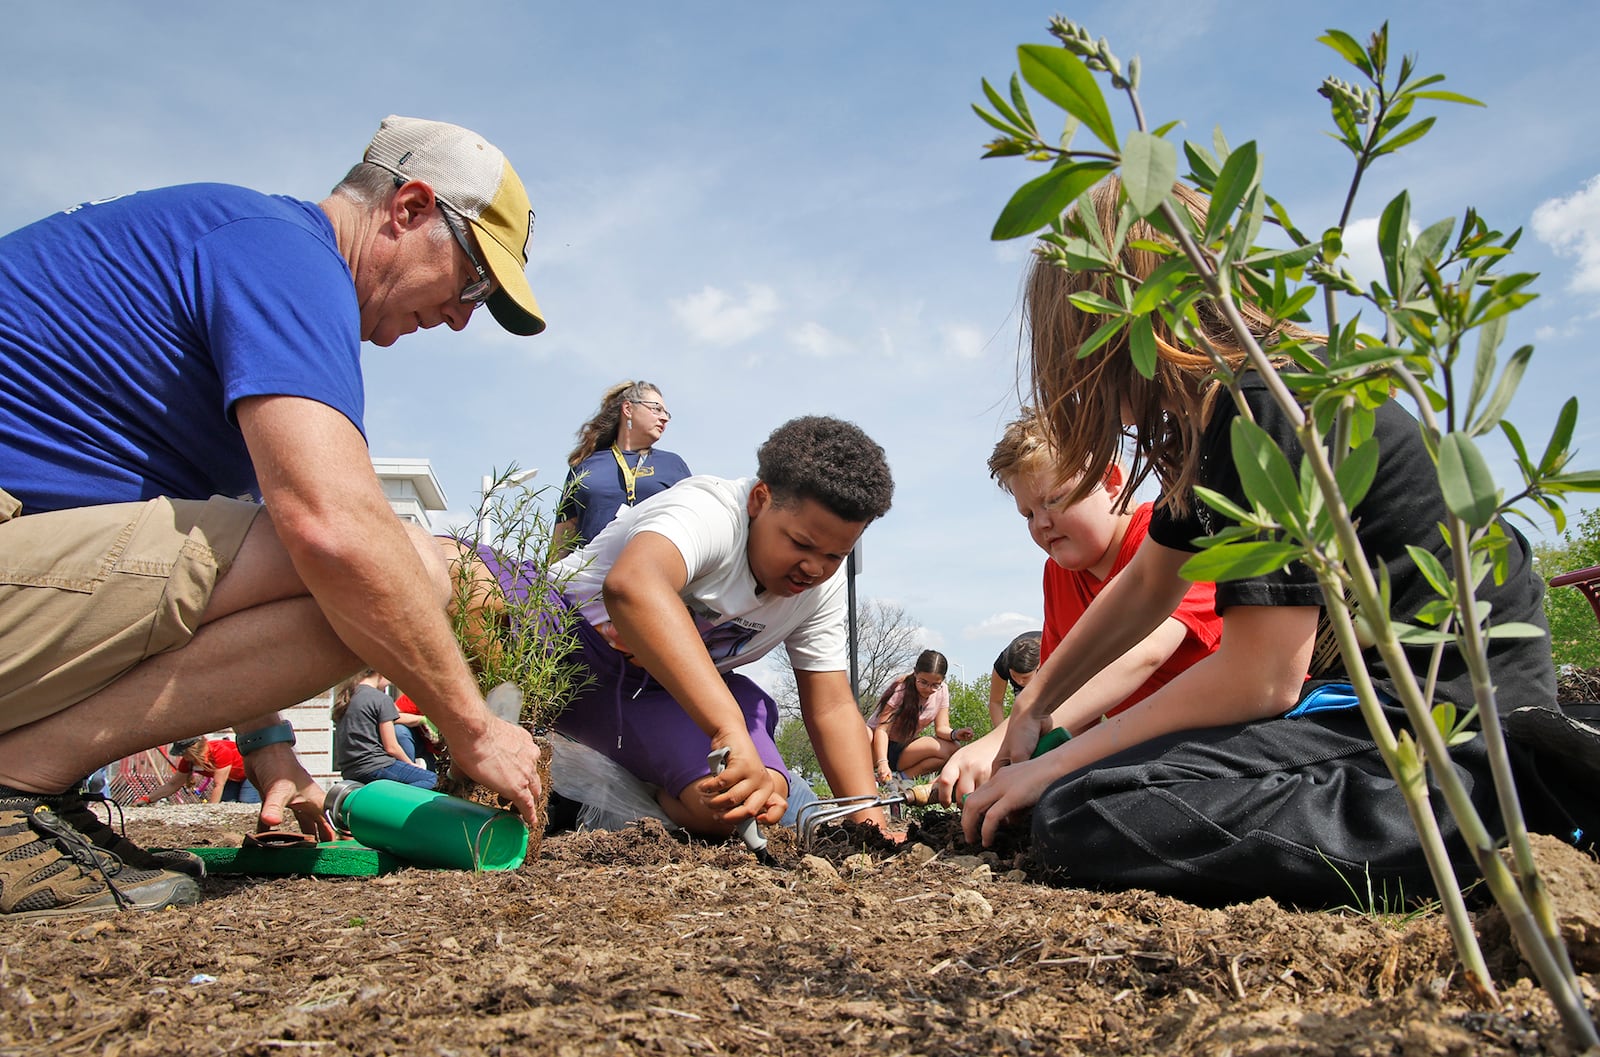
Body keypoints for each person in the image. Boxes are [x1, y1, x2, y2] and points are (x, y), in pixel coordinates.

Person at [958, 177, 1595, 907]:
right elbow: (1146, 585)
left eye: (1076, 344)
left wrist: (1053, 765)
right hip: (1374, 708)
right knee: (1082, 792)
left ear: (1128, 315)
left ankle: (1516, 812)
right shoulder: (1223, 414)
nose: (1073, 379)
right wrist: (1037, 704)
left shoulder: (1264, 405)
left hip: (1452, 727)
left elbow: (1261, 678)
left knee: (1081, 811)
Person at [0, 115, 546, 919]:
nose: (464, 317)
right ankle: (16, 791)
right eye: (472, 283)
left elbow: (213, 577)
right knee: (410, 572)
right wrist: (472, 726)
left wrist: (272, 755)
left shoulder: (237, 257)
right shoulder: (286, 253)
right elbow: (334, 532)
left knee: (358, 579)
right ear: (410, 208)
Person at [450, 416, 895, 838]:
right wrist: (727, 727)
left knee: (742, 803)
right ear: (759, 500)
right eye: (801, 543)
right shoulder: (709, 508)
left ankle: (635, 786)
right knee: (452, 570)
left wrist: (868, 820)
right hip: (564, 640)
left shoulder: (821, 588)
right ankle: (494, 743)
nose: (814, 568)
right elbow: (632, 586)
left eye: (836, 556)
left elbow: (832, 706)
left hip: (659, 696)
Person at [941, 409, 1223, 797]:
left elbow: (1145, 653)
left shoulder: (1167, 536)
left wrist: (999, 740)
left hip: (1221, 736)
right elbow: (1065, 696)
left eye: (1054, 499)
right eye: (1027, 514)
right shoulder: (1057, 576)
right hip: (1148, 749)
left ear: (1110, 481)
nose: (1040, 523)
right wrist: (1020, 765)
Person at [552, 381, 692, 558]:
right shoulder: (585, 465)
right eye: (656, 409)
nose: (664, 418)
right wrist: (550, 581)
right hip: (591, 578)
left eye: (666, 413)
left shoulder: (673, 465)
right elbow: (564, 535)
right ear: (628, 409)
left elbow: (690, 528)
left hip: (649, 574)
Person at [867, 650, 971, 781]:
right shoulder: (901, 689)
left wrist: (955, 734)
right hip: (876, 744)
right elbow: (882, 729)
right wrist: (882, 762)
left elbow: (942, 728)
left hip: (904, 747)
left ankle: (902, 778)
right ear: (915, 673)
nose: (928, 688)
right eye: (923, 682)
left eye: (935, 685)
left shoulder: (942, 691)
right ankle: (866, 773)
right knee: (862, 732)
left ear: (942, 680)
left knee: (953, 747)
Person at [332, 672, 437, 790]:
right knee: (432, 779)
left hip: (350, 771)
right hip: (376, 766)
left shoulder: (347, 697)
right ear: (379, 673)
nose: (390, 682)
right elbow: (392, 747)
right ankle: (388, 799)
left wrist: (421, 720)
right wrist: (411, 765)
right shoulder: (381, 699)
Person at [138, 737, 262, 805]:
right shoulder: (189, 761)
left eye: (184, 754)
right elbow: (173, 784)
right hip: (232, 778)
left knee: (247, 803)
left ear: (192, 751)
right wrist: (147, 799)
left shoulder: (220, 751)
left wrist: (210, 810)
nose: (183, 757)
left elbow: (218, 784)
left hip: (251, 773)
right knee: (228, 805)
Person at [987, 631, 1042, 729]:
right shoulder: (1002, 664)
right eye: (1014, 676)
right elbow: (995, 702)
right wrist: (1002, 733)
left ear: (1038, 666)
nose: (1019, 682)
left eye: (1025, 677)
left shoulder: (1054, 658)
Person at [391, 690, 441, 772]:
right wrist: (422, 720)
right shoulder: (421, 693)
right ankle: (409, 772)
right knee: (399, 730)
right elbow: (389, 716)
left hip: (451, 754)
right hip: (423, 745)